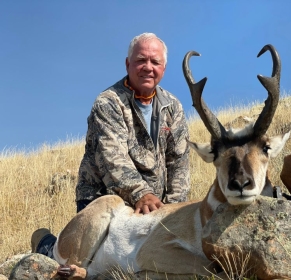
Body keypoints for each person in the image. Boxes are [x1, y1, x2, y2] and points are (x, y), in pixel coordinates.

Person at [31, 32, 190, 257]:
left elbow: (179, 163)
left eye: (155, 62)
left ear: (163, 68)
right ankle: (46, 245)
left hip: (152, 207)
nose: (148, 67)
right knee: (85, 265)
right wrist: (140, 193)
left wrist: (174, 211)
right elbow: (113, 158)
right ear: (128, 64)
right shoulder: (108, 102)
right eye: (140, 60)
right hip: (103, 201)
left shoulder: (173, 106)